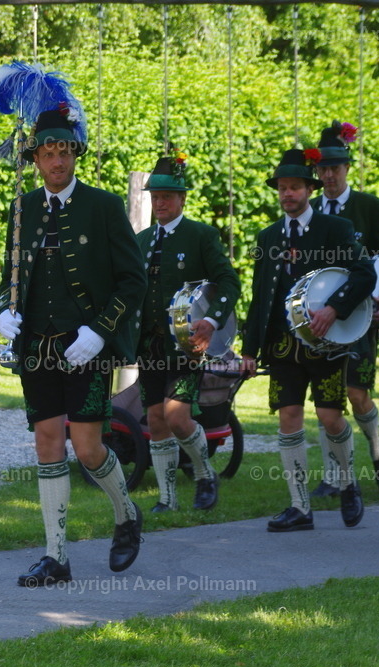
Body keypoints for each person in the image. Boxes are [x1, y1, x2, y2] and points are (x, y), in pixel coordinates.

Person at [0, 107, 147, 585]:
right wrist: (4, 310)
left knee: (87, 448)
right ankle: (55, 557)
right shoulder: (22, 208)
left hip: (86, 345)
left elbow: (133, 279)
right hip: (36, 346)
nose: (57, 161)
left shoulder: (103, 206)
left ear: (75, 155)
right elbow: (11, 276)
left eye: (64, 152)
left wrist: (100, 331)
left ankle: (127, 515)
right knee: (46, 441)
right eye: (47, 153)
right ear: (36, 159)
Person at [241, 148, 375, 532]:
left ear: (310, 190)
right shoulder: (268, 236)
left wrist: (334, 308)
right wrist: (249, 349)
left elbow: (364, 274)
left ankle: (347, 482)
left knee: (330, 418)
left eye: (295, 187)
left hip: (327, 343)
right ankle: (300, 506)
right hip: (282, 346)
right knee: (289, 418)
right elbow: (261, 296)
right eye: (282, 188)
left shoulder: (336, 228)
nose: (288, 194)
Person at [135, 154, 241, 513]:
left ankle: (205, 475)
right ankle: (167, 498)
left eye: (167, 196)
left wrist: (211, 321)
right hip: (148, 345)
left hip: (187, 344)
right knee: (155, 419)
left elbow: (228, 281)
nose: (160, 203)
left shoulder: (201, 235)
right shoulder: (141, 240)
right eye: (155, 197)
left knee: (177, 417)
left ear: (182, 198)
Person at [310, 121, 379, 498]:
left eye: (335, 168)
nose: (329, 175)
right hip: (317, 320)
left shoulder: (371, 208)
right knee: (326, 399)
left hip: (360, 316)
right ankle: (334, 476)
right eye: (322, 169)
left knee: (356, 393)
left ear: (347, 167)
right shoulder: (308, 209)